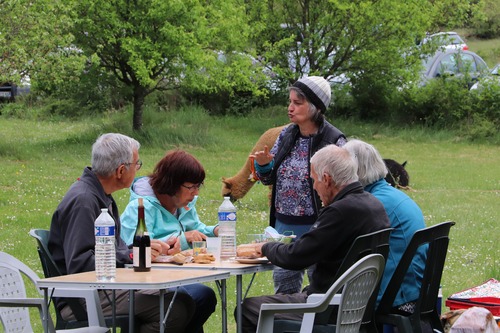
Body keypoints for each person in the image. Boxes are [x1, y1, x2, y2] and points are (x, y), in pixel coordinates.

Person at [49, 133, 195, 333]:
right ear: (120, 170)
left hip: (105, 288)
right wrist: (133, 255)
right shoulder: (83, 201)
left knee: (183, 298)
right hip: (83, 299)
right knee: (175, 306)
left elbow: (115, 250)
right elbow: (80, 264)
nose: (138, 169)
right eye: (137, 164)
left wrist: (148, 249)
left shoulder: (102, 197)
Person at [238, 144, 390, 333]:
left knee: (247, 308)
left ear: (326, 179)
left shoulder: (340, 211)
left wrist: (266, 247)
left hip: (327, 308)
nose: (314, 187)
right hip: (354, 306)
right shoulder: (374, 205)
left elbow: (297, 256)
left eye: (314, 180)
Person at [250, 76, 347, 295]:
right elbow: (269, 179)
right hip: (285, 229)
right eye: (290, 102)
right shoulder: (287, 134)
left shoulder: (335, 141)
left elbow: (345, 188)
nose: (290, 108)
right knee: (284, 292)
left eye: (297, 103)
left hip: (320, 229)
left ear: (316, 107)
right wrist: (264, 166)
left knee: (320, 291)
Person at [120, 149, 218, 333]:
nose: (196, 193)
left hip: (174, 278)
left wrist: (215, 231)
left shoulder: (183, 205)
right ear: (172, 184)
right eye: (191, 187)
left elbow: (195, 228)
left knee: (205, 296)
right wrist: (182, 239)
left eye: (198, 186)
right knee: (193, 298)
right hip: (145, 285)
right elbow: (131, 248)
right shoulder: (140, 207)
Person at [343, 139, 427, 313]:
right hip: (414, 288)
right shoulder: (390, 194)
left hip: (397, 296)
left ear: (352, 171)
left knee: (321, 305)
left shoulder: (372, 204)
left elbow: (343, 251)